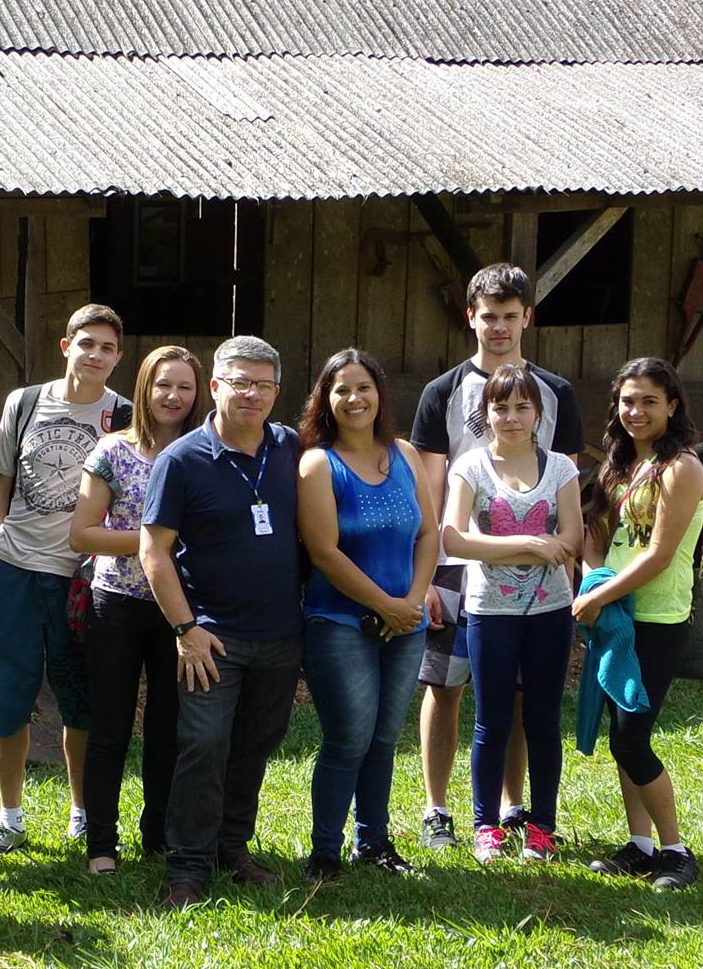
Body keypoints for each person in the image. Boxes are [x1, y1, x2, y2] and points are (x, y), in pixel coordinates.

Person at [411, 263, 583, 852]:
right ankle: (438, 809)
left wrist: (571, 570)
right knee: (447, 686)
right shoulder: (443, 392)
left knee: (518, 696)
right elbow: (431, 494)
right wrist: (427, 576)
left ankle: (515, 808)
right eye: (489, 317)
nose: (500, 327)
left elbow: (566, 493)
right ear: (471, 318)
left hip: (540, 583)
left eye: (511, 316)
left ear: (527, 318)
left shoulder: (556, 392)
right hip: (460, 570)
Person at [140, 336, 303, 908]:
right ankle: (186, 868)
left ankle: (231, 849)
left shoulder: (291, 449)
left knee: (255, 745)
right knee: (204, 745)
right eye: (239, 382)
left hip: (282, 634)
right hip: (211, 637)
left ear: (277, 393)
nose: (251, 393)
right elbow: (153, 551)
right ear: (215, 387)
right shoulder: (181, 460)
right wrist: (185, 630)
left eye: (262, 384)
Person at [0, 306, 131, 861]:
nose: (96, 356)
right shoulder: (25, 402)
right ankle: (9, 820)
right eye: (87, 344)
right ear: (66, 346)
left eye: (107, 348)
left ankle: (81, 815)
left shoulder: (124, 415)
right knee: (9, 698)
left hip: (84, 580)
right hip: (17, 566)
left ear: (118, 357)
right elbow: (1, 483)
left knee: (79, 699)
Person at [296, 349, 435, 881]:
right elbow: (323, 552)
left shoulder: (403, 453)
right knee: (349, 736)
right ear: (325, 401)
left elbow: (427, 533)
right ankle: (324, 852)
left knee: (383, 736)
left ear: (380, 393)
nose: (354, 399)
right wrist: (385, 606)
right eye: (341, 390)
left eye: (364, 388)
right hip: (340, 623)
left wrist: (413, 602)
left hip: (406, 623)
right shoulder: (317, 464)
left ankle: (374, 843)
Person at [571, 357, 703, 891]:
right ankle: (641, 846)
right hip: (613, 612)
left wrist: (597, 596)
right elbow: (594, 538)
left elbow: (658, 554)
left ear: (672, 406)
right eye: (628, 400)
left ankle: (676, 852)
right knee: (618, 734)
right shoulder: (618, 464)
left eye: (649, 400)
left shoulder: (682, 468)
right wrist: (590, 584)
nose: (637, 411)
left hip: (657, 617)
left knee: (632, 737)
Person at [68, 345, 203, 874]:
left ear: (199, 394)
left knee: (170, 728)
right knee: (110, 727)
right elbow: (82, 533)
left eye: (185, 386)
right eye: (163, 384)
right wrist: (153, 543)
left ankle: (159, 835)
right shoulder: (112, 451)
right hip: (118, 606)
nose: (173, 396)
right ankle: (101, 842)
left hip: (181, 612)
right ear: (144, 389)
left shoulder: (202, 453)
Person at [442, 362, 582, 862]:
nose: (512, 417)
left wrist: (507, 547)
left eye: (522, 407)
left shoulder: (562, 467)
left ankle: (543, 826)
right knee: (491, 721)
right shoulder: (470, 468)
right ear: (486, 413)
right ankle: (486, 827)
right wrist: (530, 544)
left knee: (543, 719)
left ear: (539, 414)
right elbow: (454, 538)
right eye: (500, 407)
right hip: (489, 612)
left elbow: (571, 540)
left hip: (551, 611)